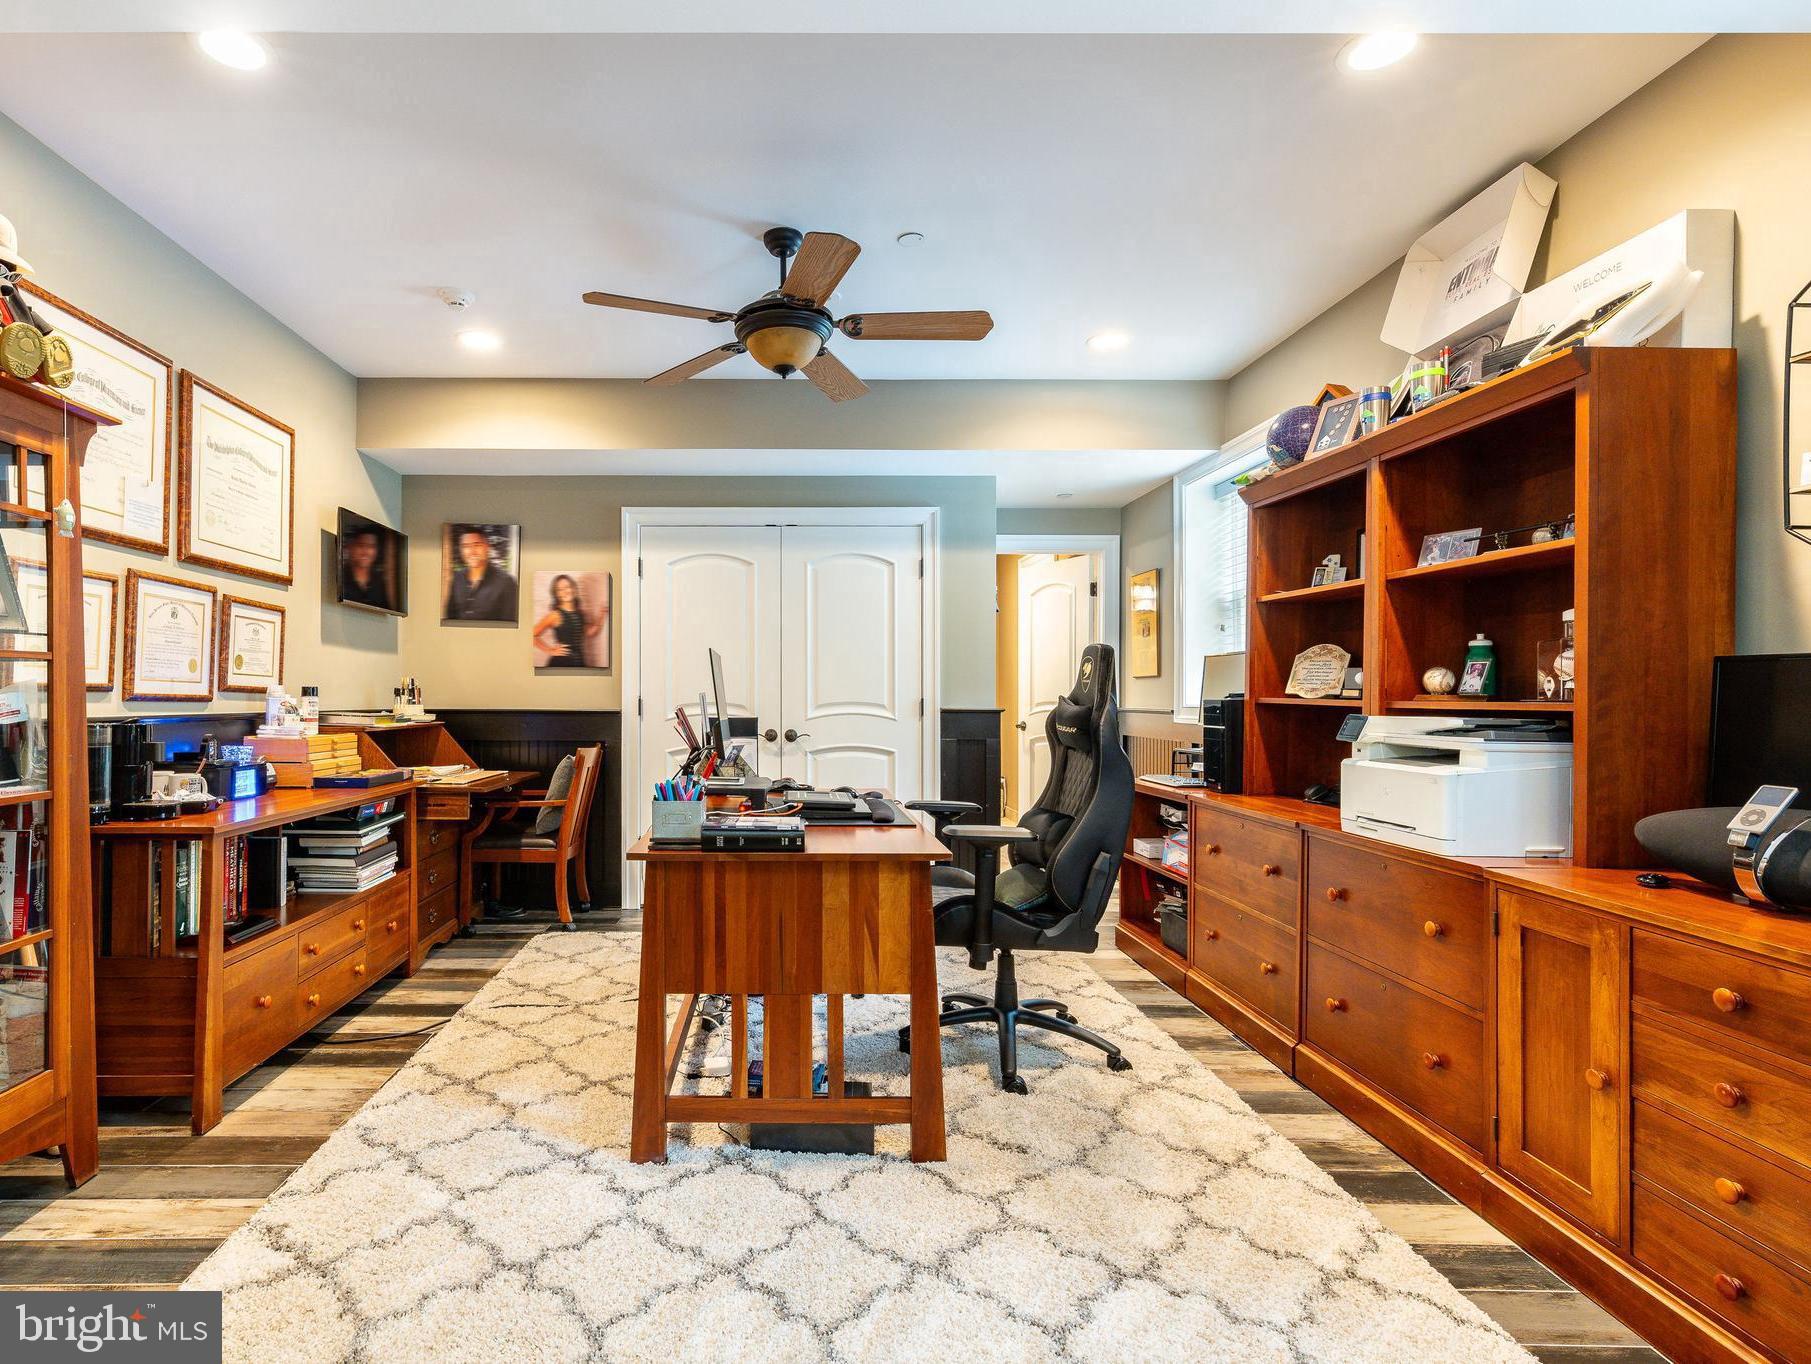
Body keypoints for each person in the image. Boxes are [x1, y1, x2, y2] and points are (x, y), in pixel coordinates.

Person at [444, 525, 517, 621]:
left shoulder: (506, 582)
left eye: (477, 545)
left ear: (487, 547)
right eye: (466, 546)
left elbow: (510, 623)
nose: (471, 551)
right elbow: (450, 617)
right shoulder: (457, 578)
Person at [532, 574, 602, 668]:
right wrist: (550, 650)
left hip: (580, 663)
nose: (565, 591)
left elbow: (590, 632)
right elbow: (532, 635)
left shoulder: (580, 613)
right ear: (557, 594)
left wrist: (602, 615)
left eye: (567, 587)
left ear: (573, 589)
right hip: (561, 664)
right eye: (560, 590)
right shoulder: (555, 615)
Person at [339, 525, 392, 611]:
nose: (366, 552)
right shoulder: (341, 576)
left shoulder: (381, 582)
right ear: (351, 548)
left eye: (371, 546)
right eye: (361, 545)